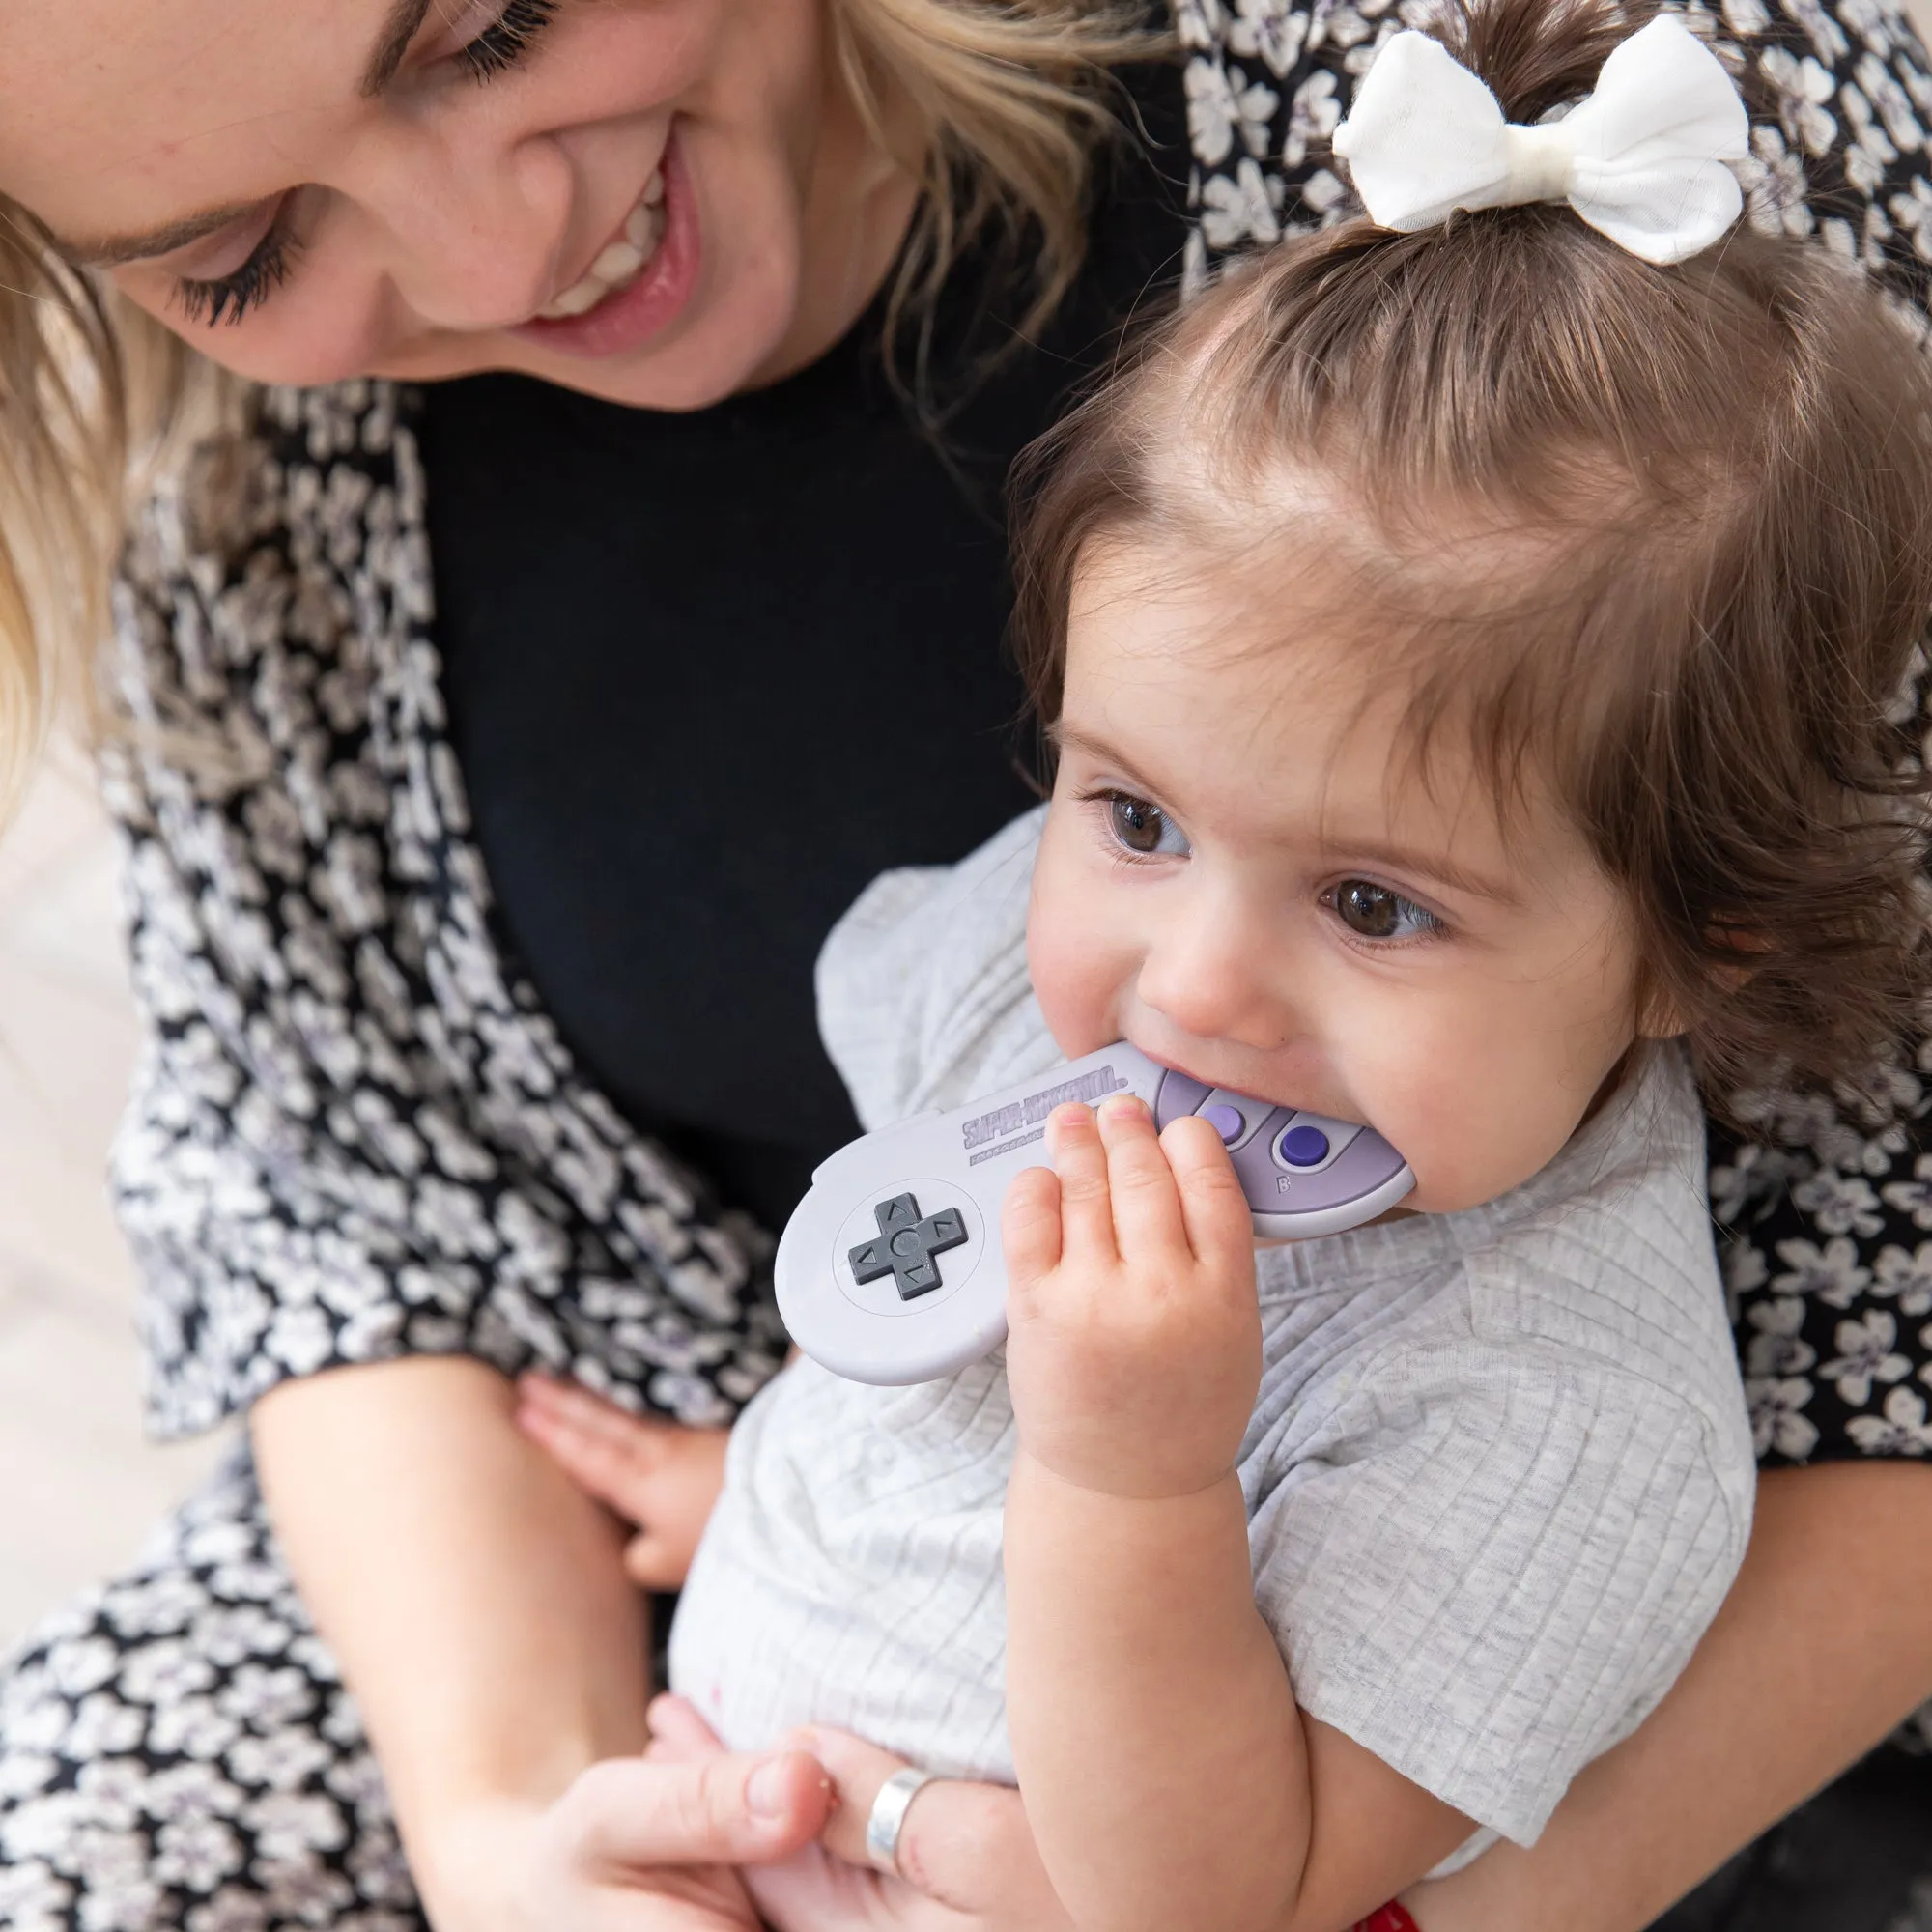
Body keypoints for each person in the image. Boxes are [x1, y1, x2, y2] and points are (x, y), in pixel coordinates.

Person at [0, 0, 1925, 1927]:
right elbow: (324, 1183)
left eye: (492, 29)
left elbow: (1223, 1874)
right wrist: (525, 1826)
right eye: (238, 257)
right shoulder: (257, 519)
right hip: (722, 1550)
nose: (494, 257)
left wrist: (1119, 1536)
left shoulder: (1639, 194)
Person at [656, 14, 1928, 1925]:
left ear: (1690, 940)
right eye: (1135, 817)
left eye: (1371, 906)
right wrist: (809, 1495)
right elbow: (912, 1248)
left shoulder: (1557, 1421)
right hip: (701, 1795)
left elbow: (1213, 1897)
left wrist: (1133, 1475)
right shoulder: (1053, 980)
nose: (1192, 990)